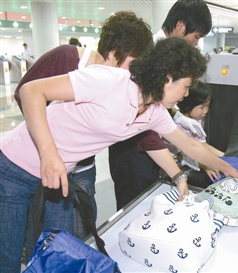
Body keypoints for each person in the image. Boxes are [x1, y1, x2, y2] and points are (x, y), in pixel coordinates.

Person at [0, 37, 238, 273]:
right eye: (186, 86)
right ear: (168, 79)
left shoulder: (154, 112)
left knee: (55, 252)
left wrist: (228, 169)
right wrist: (50, 155)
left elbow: (191, 147)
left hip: (58, 179)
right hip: (13, 169)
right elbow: (32, 91)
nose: (186, 94)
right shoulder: (110, 81)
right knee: (8, 256)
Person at [13, 11, 154, 246]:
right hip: (45, 162)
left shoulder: (125, 82)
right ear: (113, 53)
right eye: (132, 63)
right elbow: (25, 93)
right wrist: (48, 141)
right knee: (43, 235)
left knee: (81, 235)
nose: (133, 72)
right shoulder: (65, 59)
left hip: (83, 168)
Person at [109, 0, 213, 211]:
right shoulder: (147, 52)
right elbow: (138, 107)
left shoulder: (172, 53)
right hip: (131, 146)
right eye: (197, 36)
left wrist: (175, 115)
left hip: (152, 141)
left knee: (150, 199)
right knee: (133, 204)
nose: (196, 43)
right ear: (180, 26)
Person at [166, 81, 225, 182]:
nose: (206, 111)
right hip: (169, 166)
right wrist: (206, 165)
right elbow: (182, 153)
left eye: (207, 106)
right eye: (202, 107)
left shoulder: (196, 120)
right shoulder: (177, 124)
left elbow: (203, 145)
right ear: (189, 105)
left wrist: (226, 158)